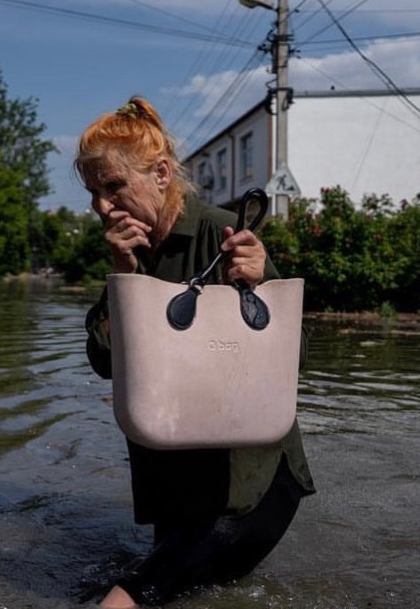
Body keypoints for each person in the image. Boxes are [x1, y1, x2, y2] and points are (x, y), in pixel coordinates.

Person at [77, 96, 315, 608]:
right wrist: (122, 275)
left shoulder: (222, 231)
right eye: (93, 192)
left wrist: (257, 279)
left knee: (127, 598)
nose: (101, 205)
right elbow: (103, 364)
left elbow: (294, 359)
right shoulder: (132, 251)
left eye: (113, 186)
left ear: (161, 173)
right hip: (174, 486)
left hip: (248, 485)